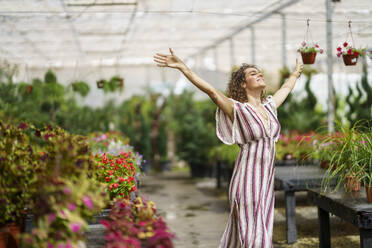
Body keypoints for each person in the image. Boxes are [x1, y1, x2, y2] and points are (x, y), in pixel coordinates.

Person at [153, 48, 303, 248]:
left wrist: (295, 73)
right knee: (252, 235)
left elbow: (285, 89)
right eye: (252, 73)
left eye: (259, 72)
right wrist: (184, 68)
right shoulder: (238, 109)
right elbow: (212, 92)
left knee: (257, 229)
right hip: (247, 181)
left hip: (265, 182)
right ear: (243, 84)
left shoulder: (269, 106)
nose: (259, 74)